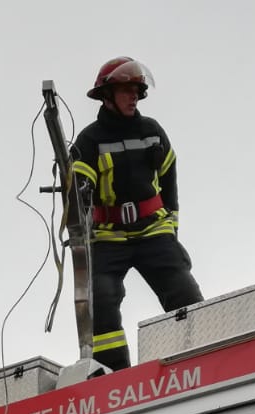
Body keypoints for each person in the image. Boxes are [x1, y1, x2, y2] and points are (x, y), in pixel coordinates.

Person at [69, 56, 203, 372]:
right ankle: (114, 372)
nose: (135, 96)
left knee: (183, 289)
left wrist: (171, 231)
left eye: (137, 91)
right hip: (108, 236)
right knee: (101, 297)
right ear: (107, 94)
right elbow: (78, 193)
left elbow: (169, 184)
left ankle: (199, 352)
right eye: (127, 90)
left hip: (153, 231)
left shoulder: (152, 131)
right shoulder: (89, 140)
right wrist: (76, 182)